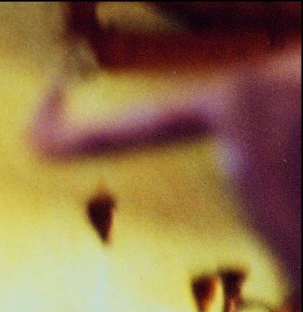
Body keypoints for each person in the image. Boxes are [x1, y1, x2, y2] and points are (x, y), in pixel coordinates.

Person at [28, 46, 301, 288]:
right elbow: (53, 139)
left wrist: (60, 83)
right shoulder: (248, 93)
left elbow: (51, 138)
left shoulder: (242, 92)